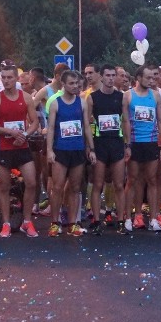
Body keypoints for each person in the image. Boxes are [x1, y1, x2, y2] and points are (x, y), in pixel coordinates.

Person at [0, 62, 42, 238]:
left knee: (31, 182)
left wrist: (24, 135)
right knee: (4, 187)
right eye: (3, 77)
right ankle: (6, 224)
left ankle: (27, 221)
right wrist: (9, 132)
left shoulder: (25, 98)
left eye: (10, 77)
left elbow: (35, 122)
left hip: (22, 146)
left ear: (16, 79)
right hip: (4, 147)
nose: (6, 81)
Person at [47, 70, 96, 237]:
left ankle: (72, 223)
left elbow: (86, 127)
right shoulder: (55, 103)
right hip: (60, 150)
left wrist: (91, 148)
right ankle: (55, 222)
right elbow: (51, 129)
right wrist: (49, 151)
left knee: (75, 188)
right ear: (64, 85)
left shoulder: (82, 103)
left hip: (77, 150)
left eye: (77, 83)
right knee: (57, 187)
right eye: (71, 84)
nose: (75, 86)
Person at [122, 64, 161, 233]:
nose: (151, 80)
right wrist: (127, 144)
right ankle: (130, 216)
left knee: (152, 179)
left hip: (151, 143)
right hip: (135, 142)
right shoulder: (128, 96)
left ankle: (154, 218)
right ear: (138, 78)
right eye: (147, 77)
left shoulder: (156, 95)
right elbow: (125, 121)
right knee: (133, 179)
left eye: (153, 77)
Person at [86, 65, 128, 234]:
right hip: (100, 143)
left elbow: (125, 121)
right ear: (101, 77)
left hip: (116, 143)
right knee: (98, 184)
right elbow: (87, 124)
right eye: (108, 75)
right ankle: (96, 220)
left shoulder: (121, 97)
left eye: (113, 75)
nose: (111, 78)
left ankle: (121, 221)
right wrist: (91, 148)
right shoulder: (92, 98)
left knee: (119, 184)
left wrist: (128, 144)